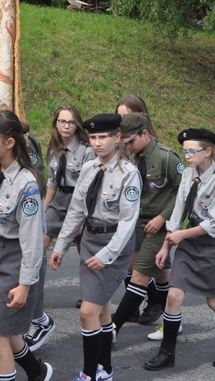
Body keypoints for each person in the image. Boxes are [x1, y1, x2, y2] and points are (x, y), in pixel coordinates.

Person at [144, 128, 215, 371]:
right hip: (189, 241)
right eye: (184, 151)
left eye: (191, 151)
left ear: (207, 151)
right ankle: (167, 352)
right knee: (174, 296)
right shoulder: (189, 174)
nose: (187, 156)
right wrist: (166, 245)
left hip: (212, 245)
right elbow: (179, 209)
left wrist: (181, 235)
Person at [50, 113, 140, 381]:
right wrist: (61, 245)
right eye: (93, 138)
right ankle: (105, 370)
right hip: (89, 242)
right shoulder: (89, 168)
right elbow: (76, 211)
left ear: (117, 138)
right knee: (100, 311)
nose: (98, 143)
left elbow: (127, 221)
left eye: (103, 137)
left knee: (87, 311)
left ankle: (89, 374)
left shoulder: (129, 174)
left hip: (114, 246)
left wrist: (107, 255)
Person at [0, 110, 53, 381]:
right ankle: (37, 371)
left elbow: (32, 242)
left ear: (9, 143)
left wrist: (25, 284)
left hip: (16, 260)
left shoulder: (27, 184)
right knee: (5, 331)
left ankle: (34, 371)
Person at [26, 105, 94, 352]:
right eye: (62, 121)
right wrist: (42, 212)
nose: (66, 126)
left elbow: (88, 188)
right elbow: (53, 183)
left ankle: (94, 300)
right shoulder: (55, 148)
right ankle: (34, 302)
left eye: (71, 122)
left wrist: (84, 219)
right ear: (56, 123)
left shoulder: (87, 151)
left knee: (85, 253)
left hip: (80, 203)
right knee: (38, 246)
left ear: (78, 125)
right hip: (58, 202)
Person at [111, 113, 182, 343]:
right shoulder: (130, 158)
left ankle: (113, 328)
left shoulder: (167, 157)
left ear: (145, 133)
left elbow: (184, 192)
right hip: (135, 222)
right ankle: (173, 321)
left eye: (131, 141)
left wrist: (163, 217)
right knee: (160, 275)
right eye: (125, 143)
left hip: (158, 225)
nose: (128, 147)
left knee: (140, 275)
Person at [114, 95, 162, 325]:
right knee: (130, 260)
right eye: (120, 116)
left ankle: (156, 302)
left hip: (150, 215)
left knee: (146, 264)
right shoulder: (120, 146)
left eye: (127, 116)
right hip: (127, 212)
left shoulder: (152, 148)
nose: (123, 120)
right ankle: (133, 305)